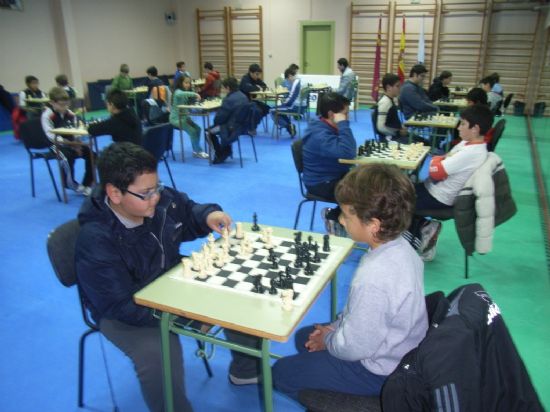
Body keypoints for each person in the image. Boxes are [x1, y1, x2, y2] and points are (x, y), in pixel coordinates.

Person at [75, 142, 262, 412]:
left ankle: (246, 369)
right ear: (114, 193)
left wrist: (208, 214)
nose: (156, 197)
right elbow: (119, 306)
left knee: (236, 289)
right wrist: (186, 314)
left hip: (170, 280)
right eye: (146, 193)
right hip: (125, 312)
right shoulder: (96, 240)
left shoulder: (157, 199)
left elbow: (187, 211)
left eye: (157, 187)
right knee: (158, 352)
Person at [272, 163, 428, 402]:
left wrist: (328, 339)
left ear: (373, 225)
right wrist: (333, 329)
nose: (342, 221)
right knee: (305, 336)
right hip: (396, 347)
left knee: (280, 373)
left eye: (346, 215)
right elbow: (360, 316)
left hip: (378, 371)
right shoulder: (401, 246)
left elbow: (356, 348)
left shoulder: (375, 277)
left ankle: (340, 404)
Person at [408, 104, 493, 261]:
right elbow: (443, 159)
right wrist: (440, 160)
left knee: (397, 201)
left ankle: (418, 240)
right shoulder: (467, 144)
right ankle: (426, 228)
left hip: (439, 196)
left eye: (463, 124)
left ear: (475, 129)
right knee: (403, 188)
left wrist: (437, 160)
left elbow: (436, 171)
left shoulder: (471, 152)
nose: (458, 127)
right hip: (435, 189)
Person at [302, 92, 356, 235]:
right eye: (345, 114)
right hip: (321, 183)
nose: (347, 117)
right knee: (366, 195)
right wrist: (343, 124)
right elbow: (349, 153)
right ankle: (334, 217)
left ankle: (334, 216)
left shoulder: (328, 127)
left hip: (334, 175)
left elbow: (349, 149)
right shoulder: (319, 134)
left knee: (371, 185)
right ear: (333, 115)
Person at [41, 87, 94, 196]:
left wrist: (77, 143)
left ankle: (87, 184)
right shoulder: (46, 116)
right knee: (67, 157)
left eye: (66, 104)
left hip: (71, 143)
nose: (64, 107)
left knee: (93, 155)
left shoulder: (70, 113)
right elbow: (50, 136)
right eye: (61, 105)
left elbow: (75, 130)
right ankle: (69, 183)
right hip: (54, 144)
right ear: (52, 103)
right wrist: (71, 144)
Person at [206, 77, 249, 164]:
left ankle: (220, 154)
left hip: (231, 128)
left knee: (208, 132)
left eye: (223, 88)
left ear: (228, 88)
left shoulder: (228, 100)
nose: (222, 90)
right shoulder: (244, 96)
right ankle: (226, 149)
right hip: (243, 126)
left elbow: (219, 118)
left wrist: (216, 122)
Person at [170, 76, 208, 159]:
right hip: (176, 119)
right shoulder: (178, 92)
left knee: (198, 129)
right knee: (193, 132)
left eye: (189, 83)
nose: (188, 85)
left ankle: (195, 150)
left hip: (184, 117)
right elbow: (182, 94)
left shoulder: (185, 92)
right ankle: (199, 151)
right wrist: (195, 94)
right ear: (181, 83)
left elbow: (188, 104)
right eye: (186, 83)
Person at [376, 73, 408, 143]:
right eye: (397, 86)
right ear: (388, 87)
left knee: (422, 141)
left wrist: (401, 127)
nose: (400, 89)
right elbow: (381, 127)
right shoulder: (385, 102)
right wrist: (398, 132)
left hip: (395, 134)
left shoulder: (391, 100)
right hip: (389, 138)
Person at [271, 67, 301, 138]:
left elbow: (291, 98)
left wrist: (284, 103)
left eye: (287, 79)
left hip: (293, 106)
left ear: (290, 76)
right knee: (279, 109)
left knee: (272, 110)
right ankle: (290, 126)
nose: (288, 81)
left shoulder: (295, 83)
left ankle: (288, 126)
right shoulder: (298, 81)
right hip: (297, 106)